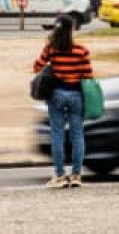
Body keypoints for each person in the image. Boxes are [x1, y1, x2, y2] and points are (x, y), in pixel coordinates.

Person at [32, 14, 93, 188]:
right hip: (76, 95)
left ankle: (59, 176)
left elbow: (37, 67)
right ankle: (76, 175)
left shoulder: (51, 48)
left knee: (57, 135)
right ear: (72, 29)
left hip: (56, 94)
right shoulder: (81, 49)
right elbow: (88, 75)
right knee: (77, 135)